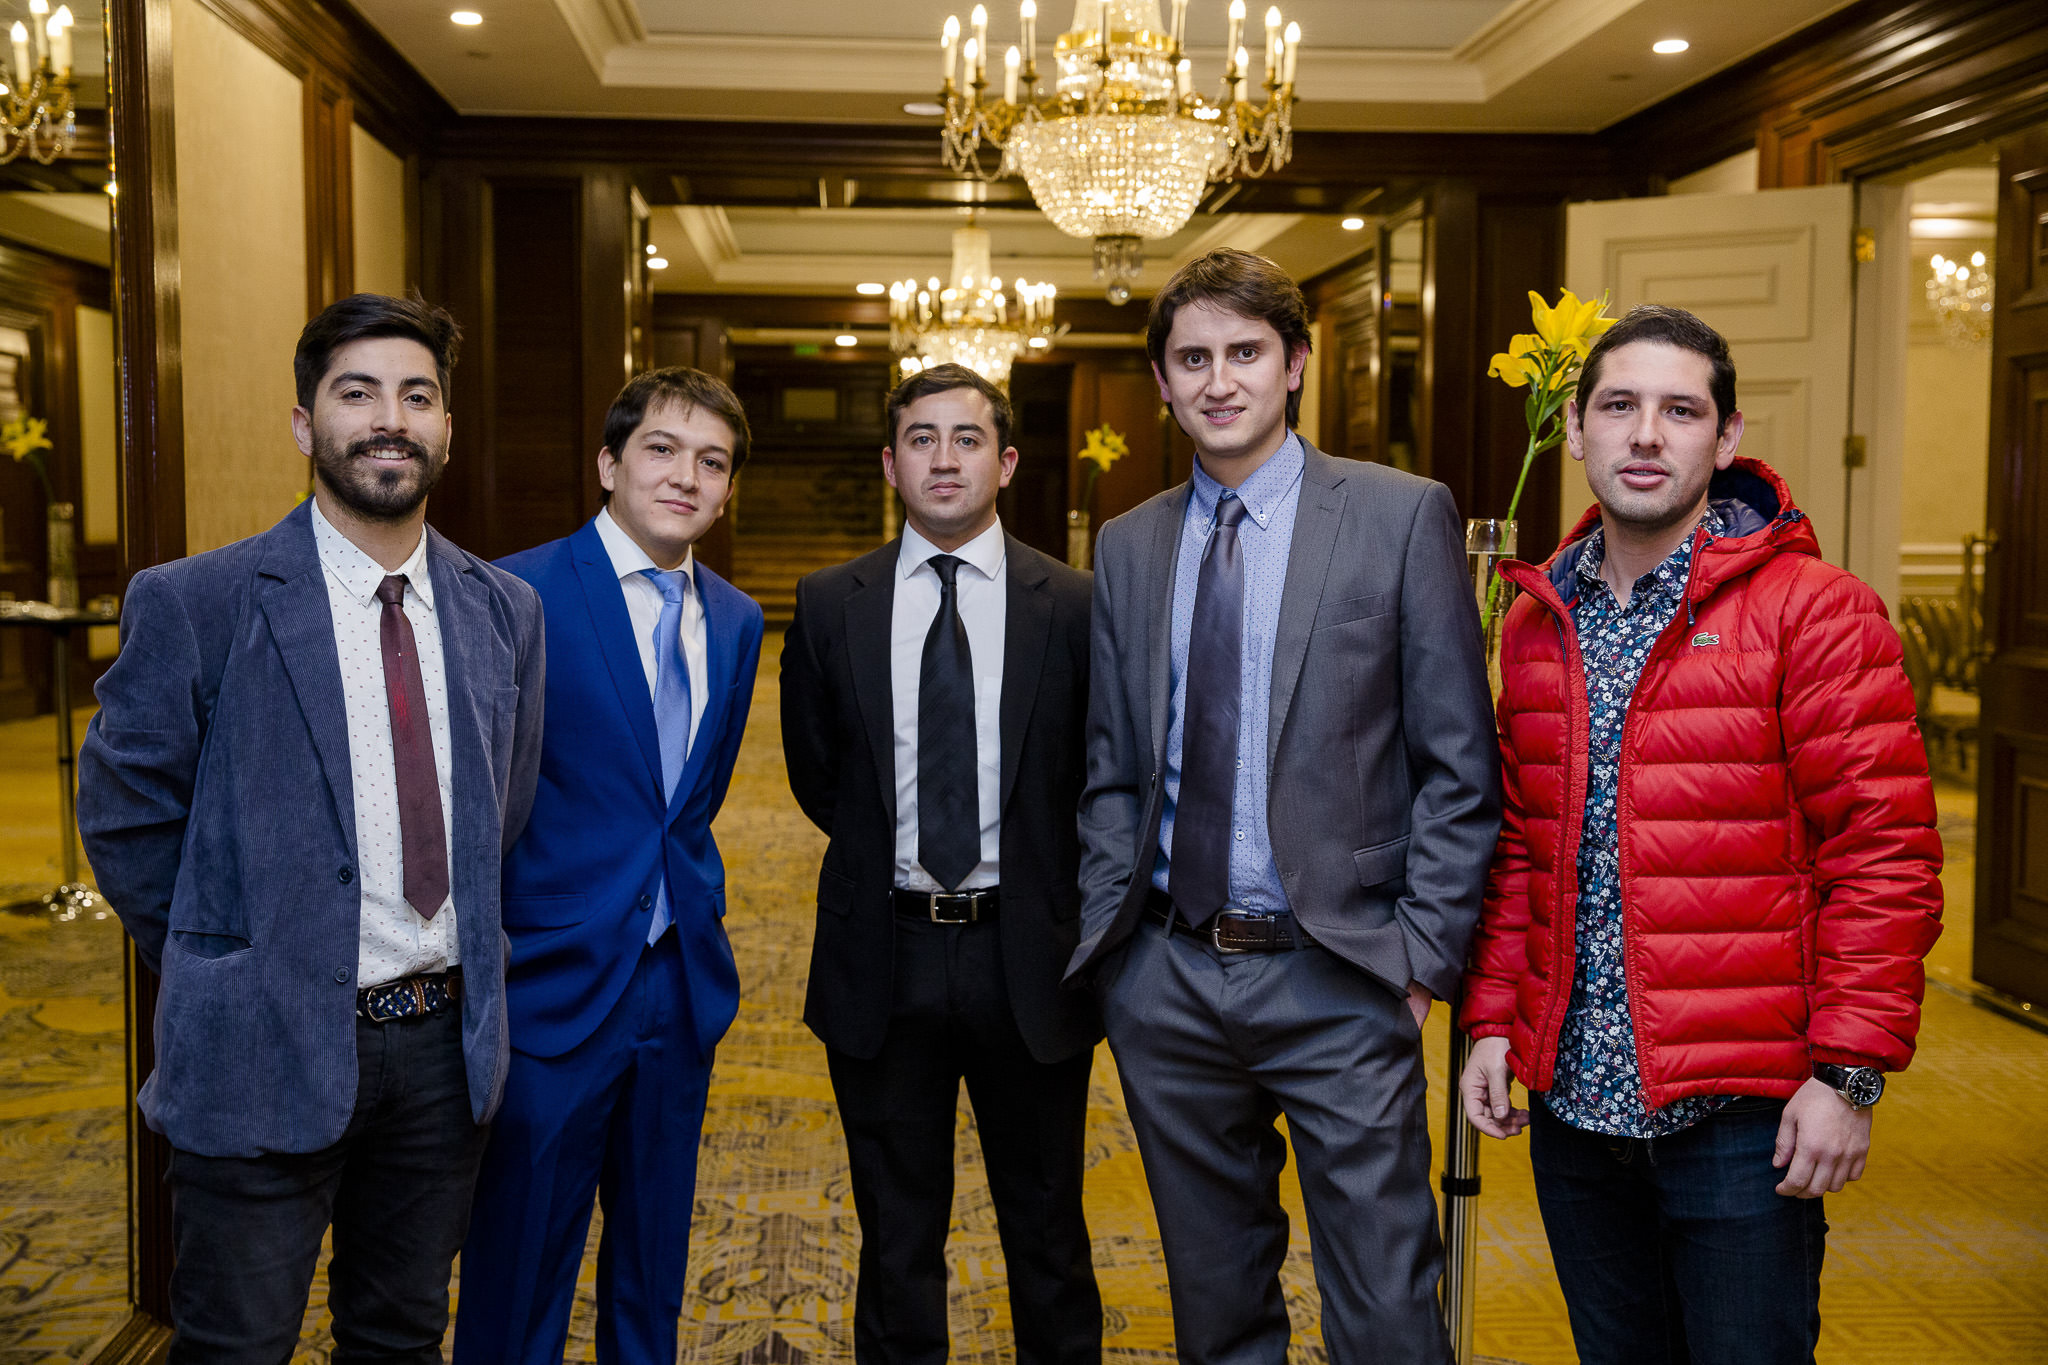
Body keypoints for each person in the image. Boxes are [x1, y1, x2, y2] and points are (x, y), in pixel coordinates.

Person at [1458, 304, 1944, 1365]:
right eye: (1618, 406)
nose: (1645, 435)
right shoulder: (1539, 620)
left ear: (1726, 439)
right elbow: (1523, 848)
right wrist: (1493, 1019)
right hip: (1575, 1108)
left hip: (1742, 1115)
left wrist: (1850, 1074)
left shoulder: (1815, 611)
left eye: (1680, 411)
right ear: (1574, 429)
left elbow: (1883, 855)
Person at [76, 292, 545, 1362]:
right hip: (258, 1045)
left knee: (400, 1335)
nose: (389, 419)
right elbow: (128, 818)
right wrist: (230, 962)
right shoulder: (198, 602)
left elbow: (502, 808)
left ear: (446, 429)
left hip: (443, 1055)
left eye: (416, 397)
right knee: (235, 1345)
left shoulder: (503, 610)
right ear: (304, 423)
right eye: (357, 393)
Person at [1066, 247, 1500, 1364]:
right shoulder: (1128, 543)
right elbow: (1113, 767)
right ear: (1161, 381)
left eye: (1245, 352)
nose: (1219, 381)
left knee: (1386, 1310)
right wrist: (1118, 956)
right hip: (1168, 979)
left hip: (1341, 973)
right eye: (1192, 359)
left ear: (1295, 364)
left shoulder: (1399, 516)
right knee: (1216, 1311)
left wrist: (1417, 961)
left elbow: (1459, 765)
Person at [781, 362, 1103, 1365]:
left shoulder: (1075, 604)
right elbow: (820, 777)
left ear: (1006, 463)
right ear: (891, 465)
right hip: (886, 954)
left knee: (1047, 1231)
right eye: (921, 439)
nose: (944, 458)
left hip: (1029, 955)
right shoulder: (829, 603)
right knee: (895, 1234)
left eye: (967, 439)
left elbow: (1098, 776)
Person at [453, 367, 766, 1364]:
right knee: (520, 1276)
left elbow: (690, 802)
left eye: (711, 462)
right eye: (661, 450)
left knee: (652, 1274)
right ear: (608, 463)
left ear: (726, 491)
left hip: (679, 985)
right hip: (551, 988)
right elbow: (474, 799)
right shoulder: (514, 593)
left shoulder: (738, 619)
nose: (685, 477)